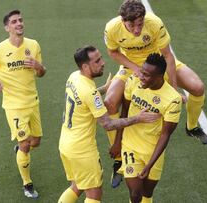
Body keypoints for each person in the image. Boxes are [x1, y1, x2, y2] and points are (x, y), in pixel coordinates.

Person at [103, 0, 207, 188]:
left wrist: (173, 88)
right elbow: (113, 52)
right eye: (132, 25)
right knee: (110, 103)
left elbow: (168, 56)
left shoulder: (154, 23)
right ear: (123, 21)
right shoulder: (112, 28)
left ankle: (192, 127)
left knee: (197, 87)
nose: (137, 30)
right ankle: (118, 155)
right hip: (132, 67)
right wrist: (135, 68)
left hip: (159, 64)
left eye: (140, 24)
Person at [58, 45, 160, 203]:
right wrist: (137, 118)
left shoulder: (74, 77)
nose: (103, 62)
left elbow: (83, 99)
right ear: (85, 66)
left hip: (66, 144)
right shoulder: (89, 92)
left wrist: (104, 89)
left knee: (77, 186)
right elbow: (108, 124)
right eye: (97, 61)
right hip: (82, 150)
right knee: (94, 195)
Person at [0, 10, 46, 199]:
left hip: (32, 102)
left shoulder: (33, 45)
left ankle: (21, 150)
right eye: (14, 21)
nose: (19, 23)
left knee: (36, 141)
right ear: (7, 27)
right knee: (25, 145)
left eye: (20, 20)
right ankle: (27, 184)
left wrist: (37, 65)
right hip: (14, 106)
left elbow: (42, 73)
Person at [114, 53, 182, 203]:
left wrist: (150, 165)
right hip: (130, 146)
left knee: (147, 192)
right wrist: (117, 141)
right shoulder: (133, 81)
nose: (141, 76)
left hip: (153, 151)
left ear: (159, 77)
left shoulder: (173, 99)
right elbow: (124, 112)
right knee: (135, 193)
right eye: (141, 71)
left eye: (146, 75)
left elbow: (166, 134)